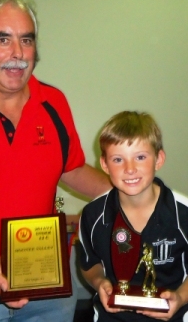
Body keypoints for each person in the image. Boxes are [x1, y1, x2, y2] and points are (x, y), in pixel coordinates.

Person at [0, 0, 111, 321]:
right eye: (3, 39)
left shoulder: (54, 102)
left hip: (45, 280)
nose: (18, 54)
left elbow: (70, 169)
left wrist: (139, 196)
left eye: (26, 40)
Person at [79, 111, 188, 321]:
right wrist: (99, 282)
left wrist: (180, 298)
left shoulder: (183, 213)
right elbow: (88, 264)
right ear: (104, 164)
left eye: (140, 157)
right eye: (118, 159)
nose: (130, 169)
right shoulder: (93, 215)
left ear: (159, 159)